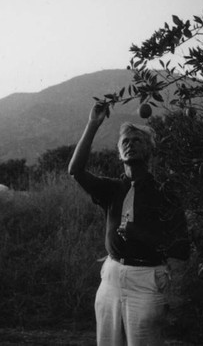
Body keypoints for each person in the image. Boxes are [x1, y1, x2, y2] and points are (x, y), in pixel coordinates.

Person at [68, 100, 189, 346]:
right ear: (119, 153)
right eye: (125, 142)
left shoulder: (165, 193)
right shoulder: (112, 189)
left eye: (137, 141)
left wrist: (140, 234)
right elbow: (76, 170)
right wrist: (93, 124)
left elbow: (182, 249)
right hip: (111, 278)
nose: (130, 144)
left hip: (146, 281)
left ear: (149, 150)